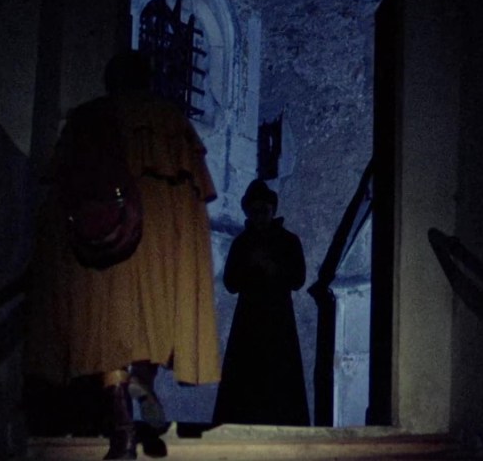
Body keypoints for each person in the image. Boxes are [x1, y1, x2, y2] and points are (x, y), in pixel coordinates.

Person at [24, 51, 221, 459]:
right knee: (150, 327)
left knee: (107, 334)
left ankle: (123, 432)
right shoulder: (170, 121)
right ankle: (142, 382)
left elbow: (59, 191)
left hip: (105, 243)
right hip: (158, 243)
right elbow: (193, 200)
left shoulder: (88, 118)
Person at [212, 179, 310, 426]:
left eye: (264, 210)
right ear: (248, 213)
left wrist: (272, 267)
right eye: (254, 211)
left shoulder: (288, 241)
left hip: (279, 323)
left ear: (272, 210)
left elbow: (298, 279)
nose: (259, 217)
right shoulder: (242, 243)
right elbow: (230, 283)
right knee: (247, 381)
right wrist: (250, 266)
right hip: (249, 324)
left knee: (280, 380)